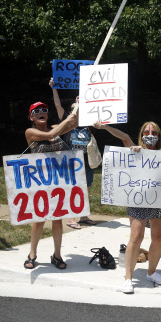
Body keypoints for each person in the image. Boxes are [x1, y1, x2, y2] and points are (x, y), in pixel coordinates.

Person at [93, 119, 161, 294]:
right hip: (138, 200)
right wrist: (105, 126)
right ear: (141, 135)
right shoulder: (135, 150)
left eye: (154, 132)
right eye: (146, 132)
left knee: (158, 238)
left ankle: (151, 272)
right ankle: (128, 277)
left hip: (159, 201)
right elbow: (124, 137)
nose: (150, 135)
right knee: (136, 237)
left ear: (159, 136)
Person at [23, 101, 78, 270]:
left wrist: (77, 106)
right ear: (31, 117)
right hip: (40, 180)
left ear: (47, 114)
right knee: (38, 219)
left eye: (44, 110)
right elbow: (51, 134)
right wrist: (68, 119)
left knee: (57, 219)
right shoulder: (31, 132)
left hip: (58, 181)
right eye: (36, 111)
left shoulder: (55, 127)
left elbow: (74, 124)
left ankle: (57, 255)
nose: (41, 113)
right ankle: (32, 254)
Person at [49, 78, 97, 229]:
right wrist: (54, 88)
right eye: (74, 107)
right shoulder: (67, 122)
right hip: (71, 162)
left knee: (85, 189)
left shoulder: (88, 122)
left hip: (86, 161)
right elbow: (57, 105)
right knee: (72, 189)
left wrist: (84, 100)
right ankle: (71, 218)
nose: (77, 109)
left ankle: (83, 216)